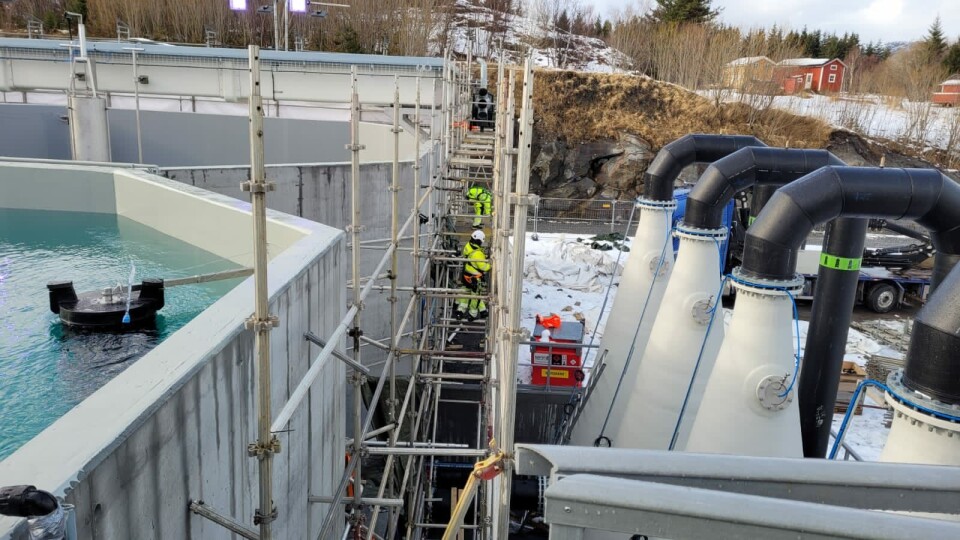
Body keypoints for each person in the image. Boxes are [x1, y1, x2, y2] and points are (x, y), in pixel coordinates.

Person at [456, 230, 490, 321]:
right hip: (475, 278)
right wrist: (490, 263)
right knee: (475, 297)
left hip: (466, 275)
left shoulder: (467, 246)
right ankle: (473, 314)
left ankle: (460, 311)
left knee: (465, 294)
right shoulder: (478, 253)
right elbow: (484, 267)